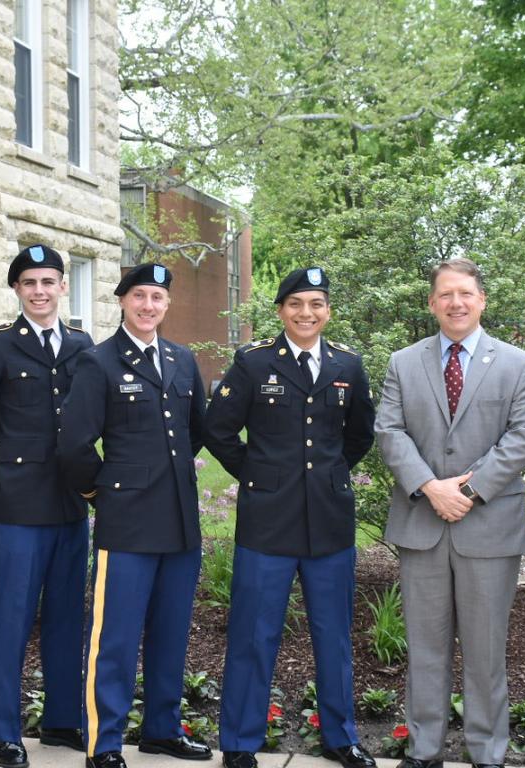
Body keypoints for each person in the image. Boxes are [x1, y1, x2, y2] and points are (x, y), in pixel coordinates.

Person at [205, 267, 377, 768]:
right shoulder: (254, 363)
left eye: (317, 304)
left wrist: (329, 474)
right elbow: (219, 430)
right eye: (297, 303)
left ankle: (340, 737)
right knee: (253, 634)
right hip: (268, 521)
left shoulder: (348, 363)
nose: (307, 313)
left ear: (327, 311)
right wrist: (259, 476)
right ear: (281, 310)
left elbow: (360, 434)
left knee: (334, 635)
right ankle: (239, 741)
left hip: (328, 520)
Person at [374, 258, 525, 768]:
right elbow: (389, 430)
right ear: (432, 303)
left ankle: (486, 752)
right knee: (425, 649)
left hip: (489, 527)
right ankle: (424, 750)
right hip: (422, 524)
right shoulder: (404, 363)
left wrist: (465, 490)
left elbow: (524, 435)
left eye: (465, 293)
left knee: (486, 650)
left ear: (482, 299)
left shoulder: (517, 364)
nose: (456, 303)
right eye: (445, 294)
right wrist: (429, 486)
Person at [56, 263, 209, 768]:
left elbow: (196, 431)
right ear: (122, 301)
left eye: (157, 298)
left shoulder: (182, 360)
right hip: (126, 522)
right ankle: (105, 742)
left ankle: (162, 730)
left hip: (180, 520)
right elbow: (75, 444)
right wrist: (104, 493)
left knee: (171, 632)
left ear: (166, 306)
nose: (148, 306)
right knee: (116, 638)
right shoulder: (98, 362)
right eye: (139, 296)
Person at [0, 244, 93, 767]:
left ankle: (62, 721)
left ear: (63, 287)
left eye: (49, 281)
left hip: (71, 505)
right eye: (29, 282)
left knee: (66, 616)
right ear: (16, 289)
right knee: (12, 617)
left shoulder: (82, 346)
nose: (39, 291)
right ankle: (6, 732)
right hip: (17, 508)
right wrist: (6, 471)